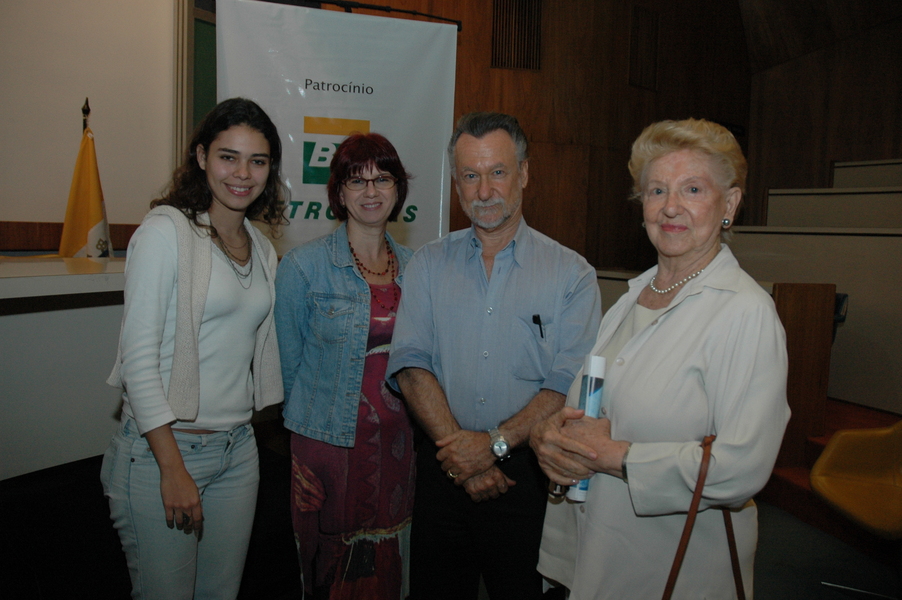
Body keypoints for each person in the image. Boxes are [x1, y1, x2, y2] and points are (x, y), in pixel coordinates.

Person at [532, 118, 791, 599]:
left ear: (729, 204)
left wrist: (614, 455)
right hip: (595, 555)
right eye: (656, 190)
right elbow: (594, 408)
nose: (671, 206)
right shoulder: (632, 298)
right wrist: (550, 435)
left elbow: (742, 467)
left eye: (692, 189)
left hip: (674, 567)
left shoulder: (745, 312)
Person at [386, 112, 602, 600]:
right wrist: (465, 455)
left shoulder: (573, 276)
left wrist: (494, 447)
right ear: (456, 182)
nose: (483, 191)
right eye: (470, 175)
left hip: (529, 480)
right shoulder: (426, 265)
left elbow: (565, 384)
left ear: (524, 173)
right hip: (444, 474)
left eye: (497, 172)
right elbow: (411, 365)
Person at [101, 97, 287, 600]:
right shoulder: (166, 232)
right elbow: (137, 360)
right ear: (201, 156)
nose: (242, 174)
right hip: (165, 450)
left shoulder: (262, 245)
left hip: (237, 450)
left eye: (258, 161)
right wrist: (172, 467)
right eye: (228, 156)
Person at [275, 133, 415, 599]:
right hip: (328, 451)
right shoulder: (302, 268)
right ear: (338, 192)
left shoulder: (419, 269)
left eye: (383, 180)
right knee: (327, 576)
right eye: (357, 181)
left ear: (398, 191)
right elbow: (289, 372)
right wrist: (300, 450)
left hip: (399, 449)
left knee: (389, 575)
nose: (371, 192)